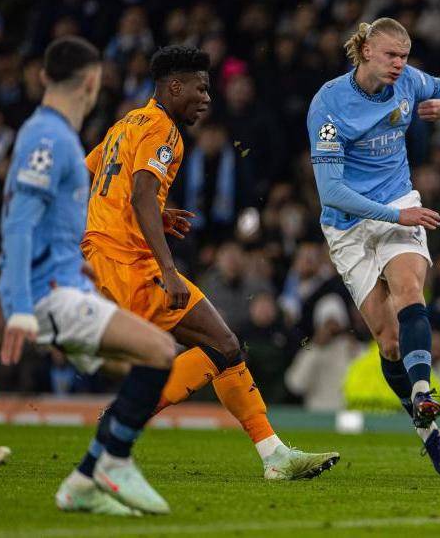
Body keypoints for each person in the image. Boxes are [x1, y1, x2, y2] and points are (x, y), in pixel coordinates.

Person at [82, 45, 338, 481]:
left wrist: (149, 214)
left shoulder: (128, 122)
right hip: (132, 262)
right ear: (174, 86)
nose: (206, 98)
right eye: (199, 89)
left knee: (226, 347)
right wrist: (167, 268)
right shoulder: (164, 131)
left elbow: (96, 174)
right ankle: (125, 415)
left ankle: (273, 453)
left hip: (108, 257)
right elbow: (141, 194)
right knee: (221, 345)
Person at [0, 37, 175, 515]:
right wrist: (19, 309)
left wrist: (70, 260)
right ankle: (114, 462)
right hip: (50, 296)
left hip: (66, 284)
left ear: (43, 77)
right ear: (93, 82)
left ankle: (82, 482)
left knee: (132, 369)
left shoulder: (51, 134)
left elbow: (43, 222)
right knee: (160, 352)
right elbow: (17, 225)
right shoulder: (49, 138)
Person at [307, 17, 440, 476]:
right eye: (392, 55)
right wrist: (398, 217)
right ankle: (430, 436)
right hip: (349, 222)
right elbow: (331, 192)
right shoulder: (329, 105)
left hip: (398, 199)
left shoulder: (408, 81)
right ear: (366, 51)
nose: (399, 64)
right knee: (389, 343)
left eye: (405, 56)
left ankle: (422, 392)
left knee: (410, 289)